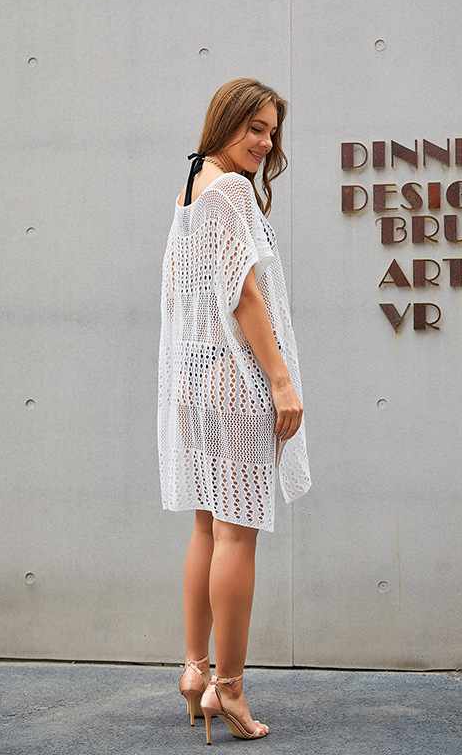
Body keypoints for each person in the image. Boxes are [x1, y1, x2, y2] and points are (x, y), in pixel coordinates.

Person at [157, 78, 311, 743]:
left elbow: (181, 293)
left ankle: (195, 671)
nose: (266, 142)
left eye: (272, 131)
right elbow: (244, 294)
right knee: (237, 535)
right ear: (224, 122)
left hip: (192, 379)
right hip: (233, 378)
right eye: (255, 127)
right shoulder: (230, 191)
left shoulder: (192, 187)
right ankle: (231, 689)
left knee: (206, 527)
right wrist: (280, 381)